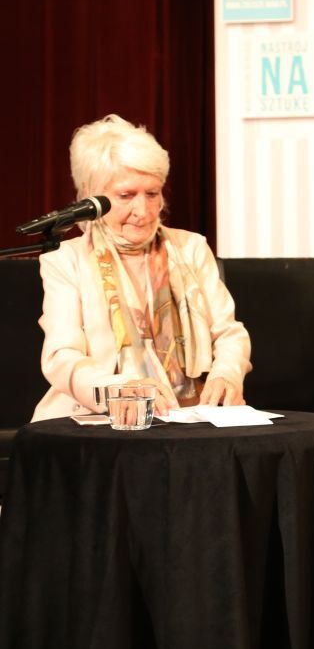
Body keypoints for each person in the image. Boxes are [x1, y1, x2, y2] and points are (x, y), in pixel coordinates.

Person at [32, 114, 251, 422]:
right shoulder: (65, 259)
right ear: (91, 196)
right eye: (126, 196)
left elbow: (229, 334)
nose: (143, 211)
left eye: (152, 193)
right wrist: (119, 389)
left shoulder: (191, 247)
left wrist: (226, 374)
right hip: (97, 420)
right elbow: (61, 356)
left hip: (189, 417)